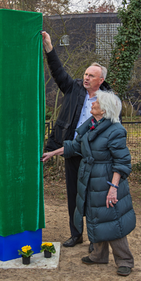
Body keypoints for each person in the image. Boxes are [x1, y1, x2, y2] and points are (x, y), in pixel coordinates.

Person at [41, 90, 136, 276]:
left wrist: (113, 188)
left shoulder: (116, 131)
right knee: (94, 215)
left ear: (105, 109)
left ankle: (125, 260)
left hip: (106, 180)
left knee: (113, 219)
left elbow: (122, 163)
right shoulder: (92, 125)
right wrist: (52, 153)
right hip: (90, 179)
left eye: (96, 103)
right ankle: (99, 255)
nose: (92, 104)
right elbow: (76, 146)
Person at [41, 31, 111, 251]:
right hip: (70, 149)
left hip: (94, 155)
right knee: (73, 193)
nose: (86, 78)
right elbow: (58, 72)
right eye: (85, 74)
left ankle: (94, 239)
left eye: (91, 76)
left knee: (92, 197)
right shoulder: (73, 89)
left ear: (101, 80)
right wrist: (49, 48)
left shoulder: (108, 100)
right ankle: (76, 234)